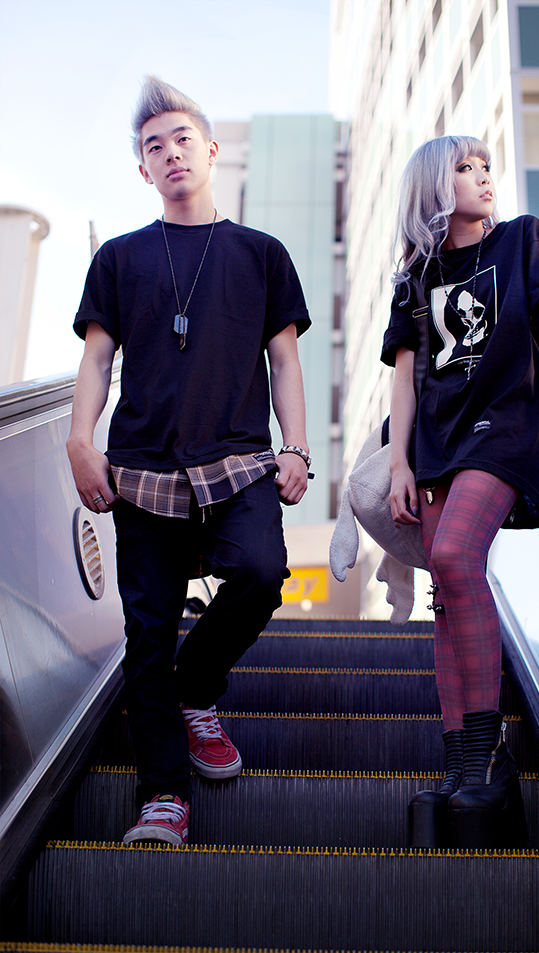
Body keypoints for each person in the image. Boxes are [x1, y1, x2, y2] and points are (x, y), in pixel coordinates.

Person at [66, 76, 311, 847]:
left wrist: (296, 446)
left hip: (237, 461)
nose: (170, 153)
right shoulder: (119, 257)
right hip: (141, 467)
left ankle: (197, 686)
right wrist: (79, 440)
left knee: (262, 571)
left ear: (210, 150)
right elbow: (97, 359)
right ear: (142, 169)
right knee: (146, 634)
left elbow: (284, 360)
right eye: (153, 146)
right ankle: (163, 797)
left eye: (181, 140)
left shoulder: (261, 254)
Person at [382, 135, 539, 849]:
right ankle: (464, 765)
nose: (482, 177)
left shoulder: (522, 239)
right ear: (434, 187)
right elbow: (405, 374)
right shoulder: (416, 277)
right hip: (438, 441)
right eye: (464, 168)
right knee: (445, 591)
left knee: (456, 555)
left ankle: (488, 752)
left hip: (504, 425)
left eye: (485, 166)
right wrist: (399, 463)